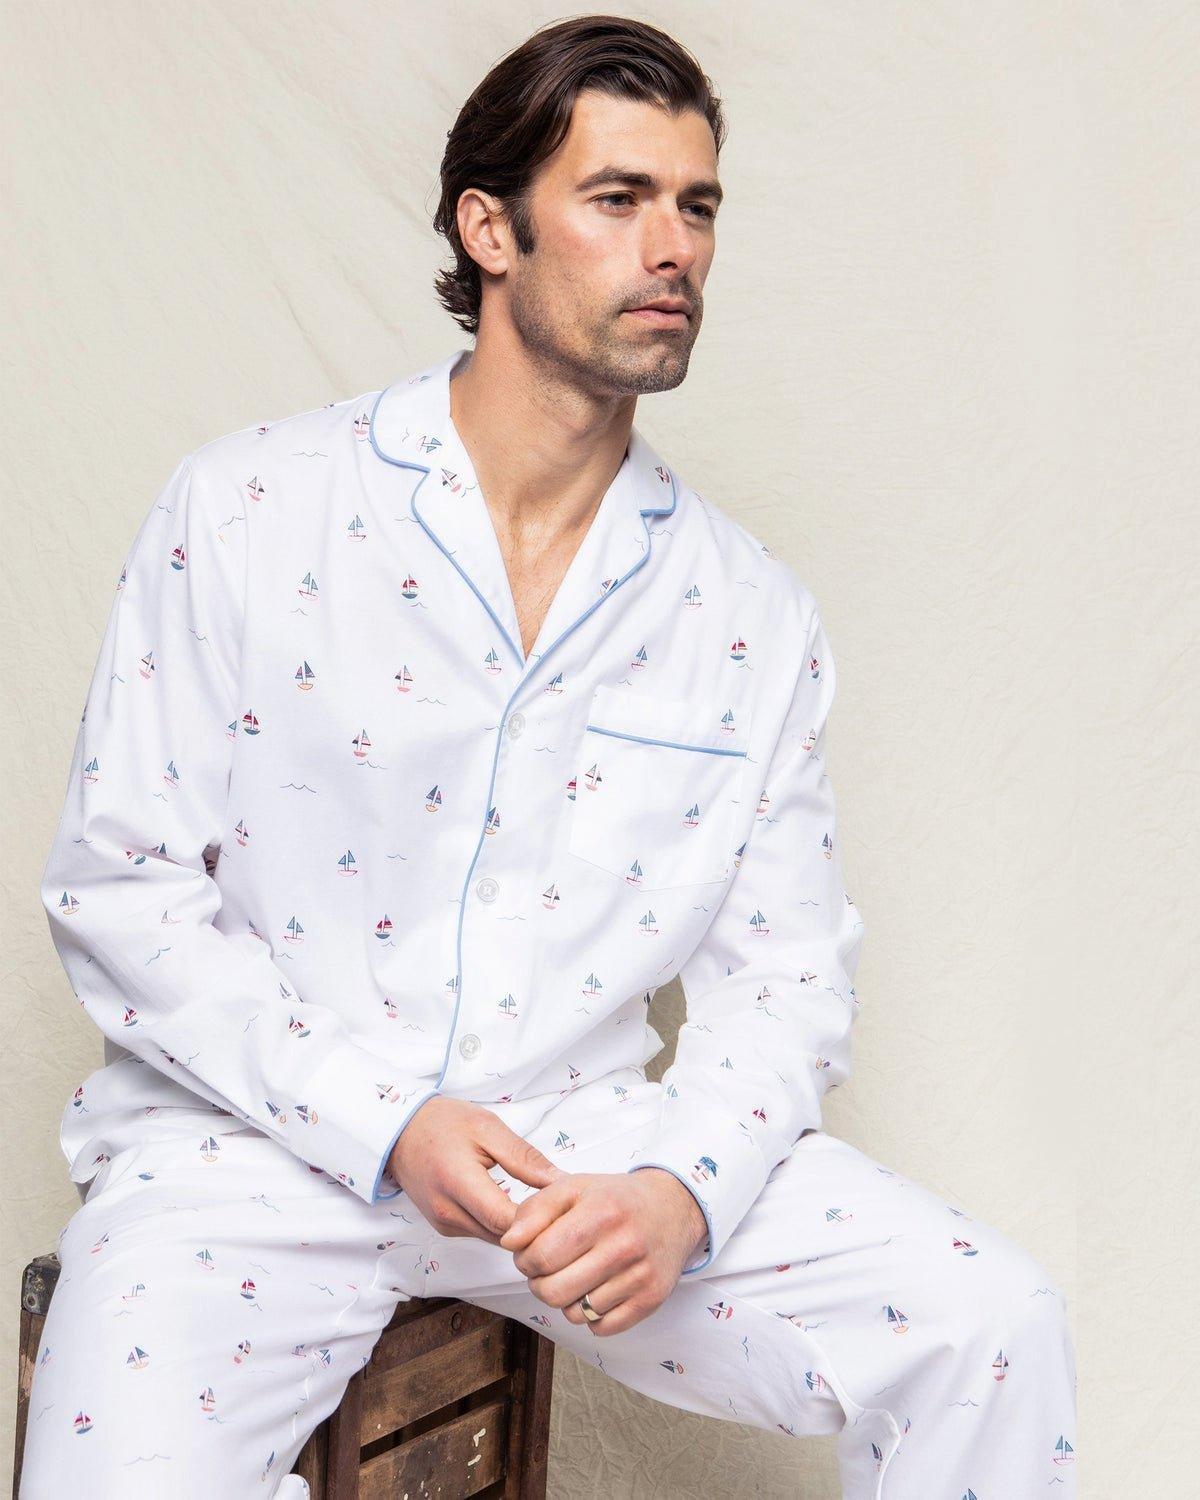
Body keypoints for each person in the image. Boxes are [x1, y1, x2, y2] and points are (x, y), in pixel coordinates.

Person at [21, 15, 1077, 1498]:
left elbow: (786, 979)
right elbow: (122, 886)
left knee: (992, 1324)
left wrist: (679, 1192)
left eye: (697, 206)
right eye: (618, 197)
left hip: (581, 1153)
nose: (674, 248)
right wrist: (386, 1121)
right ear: (489, 230)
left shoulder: (746, 611)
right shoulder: (251, 510)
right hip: (254, 1150)